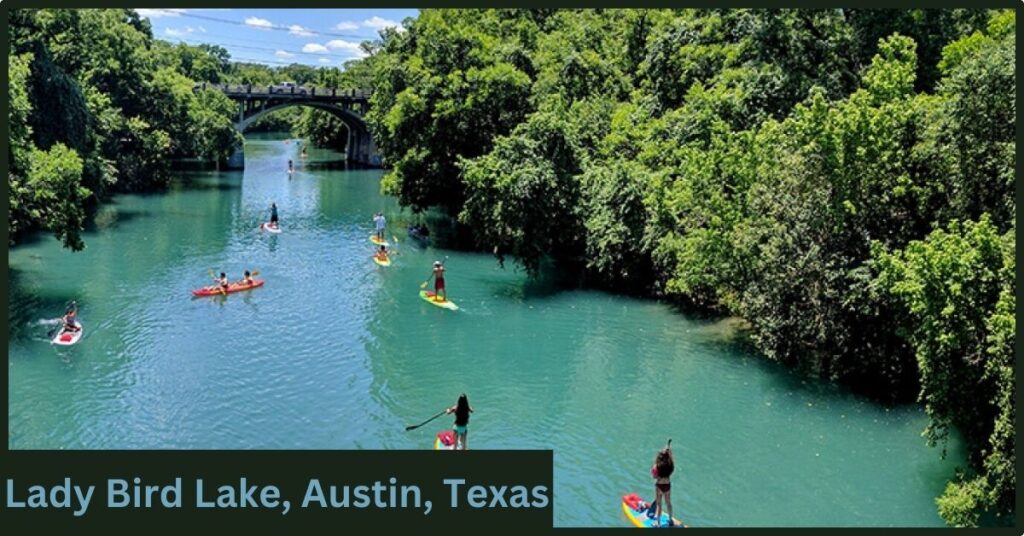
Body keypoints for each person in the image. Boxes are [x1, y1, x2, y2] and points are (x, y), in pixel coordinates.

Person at [651, 440, 675, 527]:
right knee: (668, 503)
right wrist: (668, 447)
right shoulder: (670, 465)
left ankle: (657, 522)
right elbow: (669, 455)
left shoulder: (656, 466)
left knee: (659, 503)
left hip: (659, 486)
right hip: (667, 485)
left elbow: (654, 476)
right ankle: (670, 519)